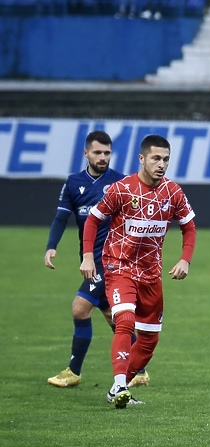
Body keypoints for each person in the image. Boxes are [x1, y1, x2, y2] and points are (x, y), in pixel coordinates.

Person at [80, 134, 197, 408]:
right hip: (119, 267)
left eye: (166, 159)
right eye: (156, 158)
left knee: (148, 342)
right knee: (125, 322)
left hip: (151, 274)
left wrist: (185, 260)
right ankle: (121, 384)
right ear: (141, 159)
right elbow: (93, 220)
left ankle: (116, 389)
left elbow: (189, 227)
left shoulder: (173, 192)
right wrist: (88, 256)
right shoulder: (122, 189)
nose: (162, 164)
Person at [45, 130, 149, 389]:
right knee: (113, 318)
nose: (103, 157)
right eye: (98, 152)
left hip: (111, 261)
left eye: (107, 153)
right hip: (89, 259)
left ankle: (74, 371)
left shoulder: (121, 183)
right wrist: (51, 246)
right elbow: (61, 217)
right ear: (86, 153)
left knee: (79, 309)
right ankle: (140, 370)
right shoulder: (72, 183)